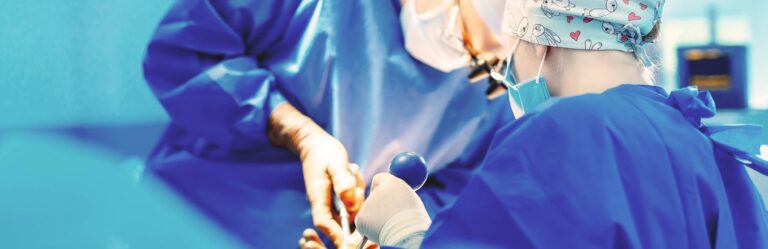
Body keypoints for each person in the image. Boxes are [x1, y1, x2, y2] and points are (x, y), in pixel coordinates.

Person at [350, 0, 768, 248]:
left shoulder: (562, 136)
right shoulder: (713, 152)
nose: (506, 76)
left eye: (504, 62)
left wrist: (404, 230)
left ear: (539, 35)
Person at [142, 0, 509, 248]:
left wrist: (393, 232)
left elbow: (457, 190)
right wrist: (298, 133)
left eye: (485, 65)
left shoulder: (494, 86)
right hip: (187, 221)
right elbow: (184, 55)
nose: (467, 63)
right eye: (465, 37)